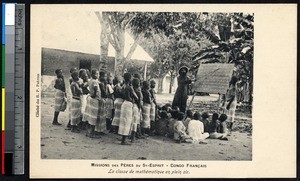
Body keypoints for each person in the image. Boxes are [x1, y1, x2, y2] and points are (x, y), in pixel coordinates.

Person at [118, 73, 138, 145]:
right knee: (127, 122)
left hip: (124, 104)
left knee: (124, 121)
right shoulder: (129, 87)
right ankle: (124, 140)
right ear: (130, 79)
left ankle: (123, 139)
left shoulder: (123, 86)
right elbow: (136, 97)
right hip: (129, 104)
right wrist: (133, 99)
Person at [83, 69, 101, 138]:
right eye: (97, 74)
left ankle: (88, 132)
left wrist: (89, 92)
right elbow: (96, 90)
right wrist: (93, 94)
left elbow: (84, 86)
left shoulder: (89, 80)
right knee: (94, 116)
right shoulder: (95, 82)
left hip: (91, 99)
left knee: (90, 115)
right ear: (93, 74)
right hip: (94, 99)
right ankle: (92, 133)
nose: (98, 75)